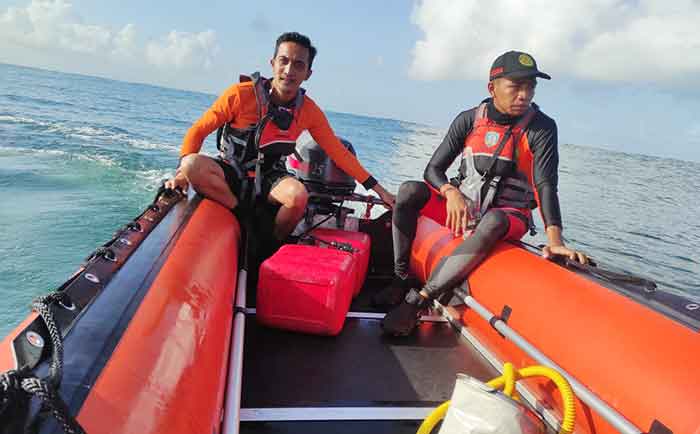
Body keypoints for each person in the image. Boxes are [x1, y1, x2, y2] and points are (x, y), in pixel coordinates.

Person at [379, 50, 588, 336]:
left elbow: (546, 184)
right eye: (516, 86)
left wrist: (555, 239)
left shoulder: (542, 127)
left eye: (531, 87)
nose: (524, 94)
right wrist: (451, 192)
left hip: (508, 216)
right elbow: (433, 170)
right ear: (492, 88)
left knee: (494, 221)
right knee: (409, 191)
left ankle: (420, 301)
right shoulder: (469, 120)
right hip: (464, 208)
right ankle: (400, 280)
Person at [165, 32, 394, 240]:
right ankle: (241, 215)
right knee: (191, 164)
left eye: (298, 65)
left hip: (270, 177)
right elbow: (198, 130)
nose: (289, 70)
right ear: (273, 63)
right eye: (284, 61)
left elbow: (337, 152)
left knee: (298, 197)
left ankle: (270, 244)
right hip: (231, 170)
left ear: (308, 74)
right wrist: (181, 175)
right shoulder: (240, 94)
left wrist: (380, 191)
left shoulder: (309, 111)